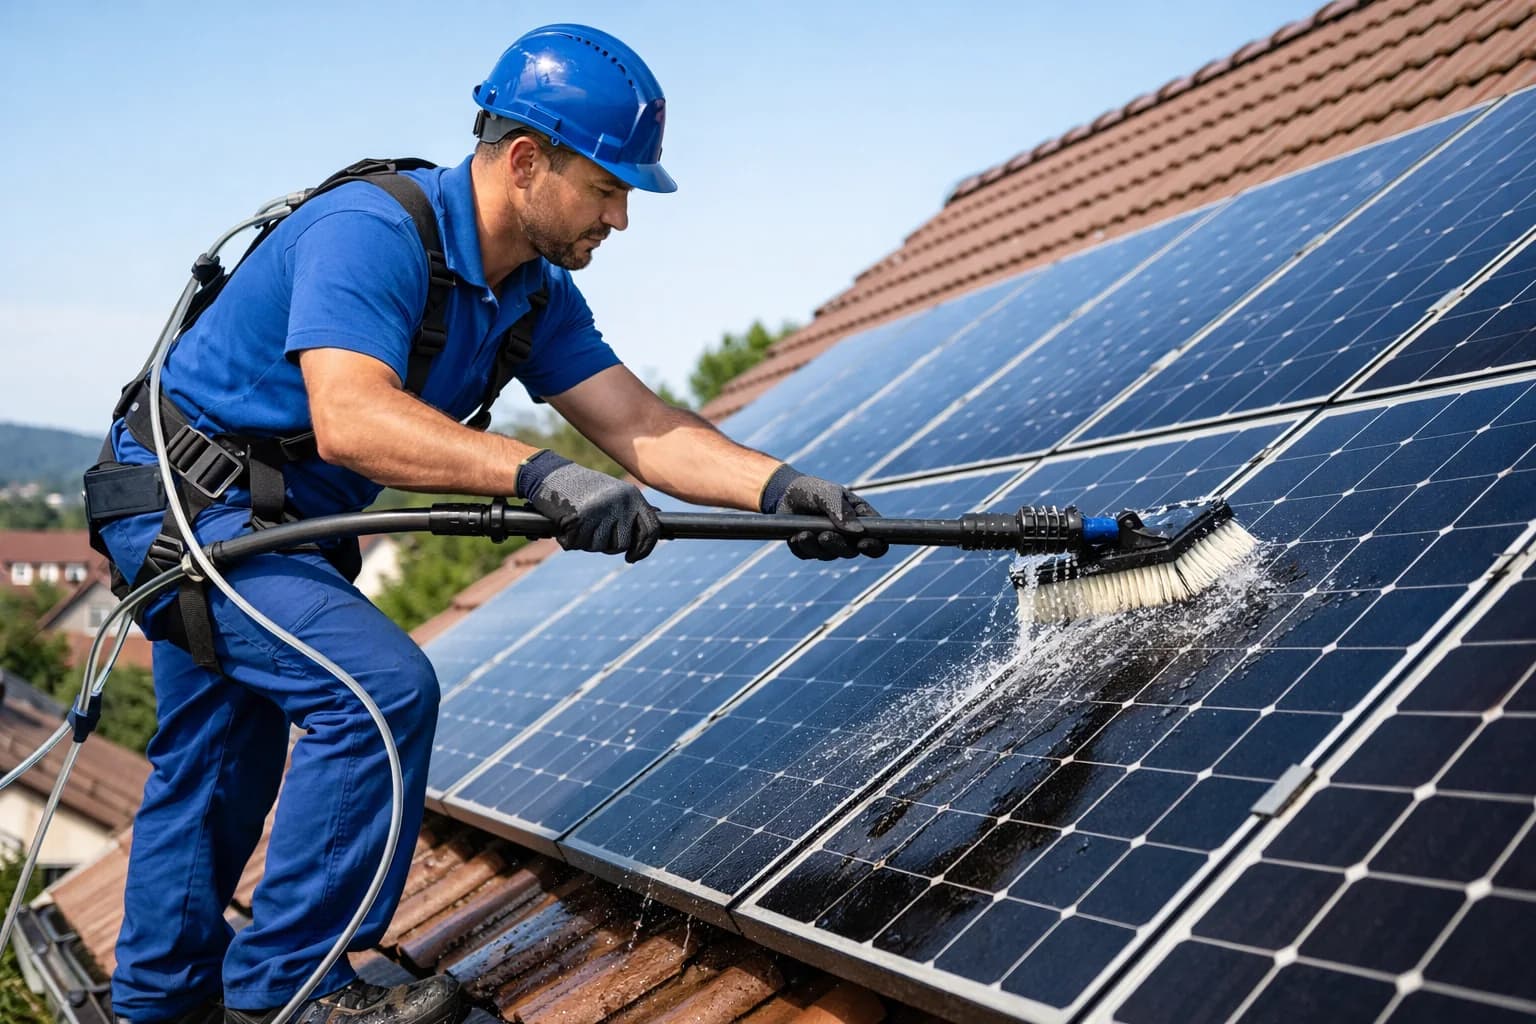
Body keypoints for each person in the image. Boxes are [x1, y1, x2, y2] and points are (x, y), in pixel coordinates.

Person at [92, 23, 886, 1024]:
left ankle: (152, 1011)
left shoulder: (531, 296)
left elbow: (640, 425)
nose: (622, 218)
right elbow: (351, 415)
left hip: (278, 531)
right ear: (524, 162)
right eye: (608, 188)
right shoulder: (371, 234)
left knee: (214, 765)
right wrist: (540, 475)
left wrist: (780, 487)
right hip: (185, 507)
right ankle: (291, 996)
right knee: (378, 695)